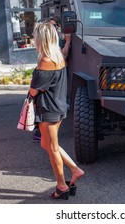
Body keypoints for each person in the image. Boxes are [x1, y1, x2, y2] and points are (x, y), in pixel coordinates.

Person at [29, 22, 84, 199]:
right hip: (58, 106)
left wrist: (36, 87)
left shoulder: (45, 61)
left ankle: (61, 186)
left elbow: (33, 90)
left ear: (40, 39)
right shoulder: (59, 57)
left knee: (51, 148)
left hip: (48, 109)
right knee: (46, 144)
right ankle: (75, 170)